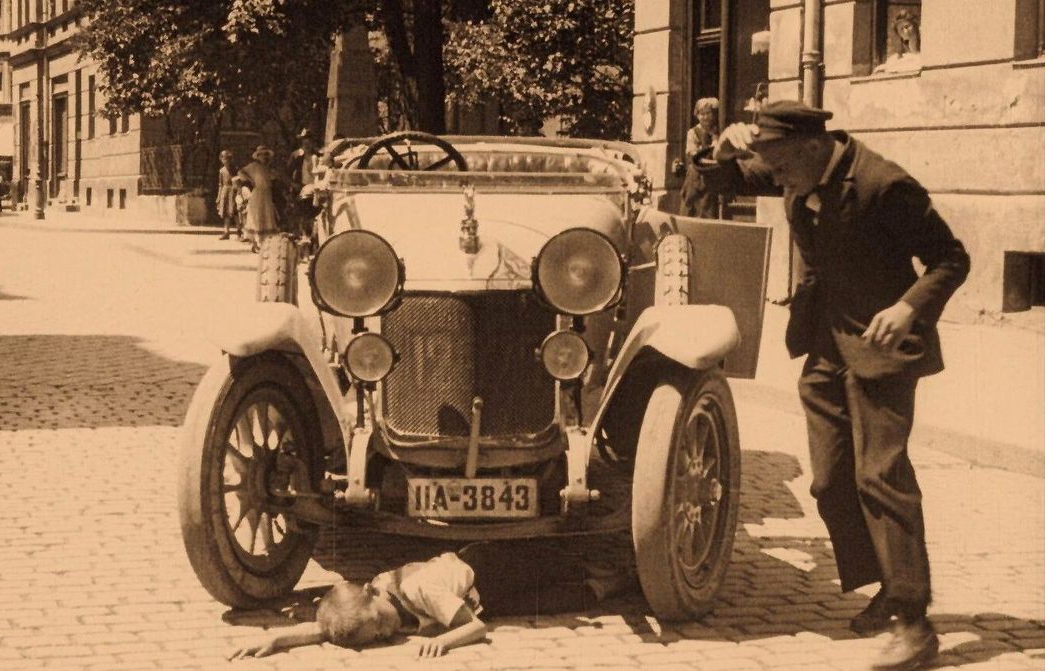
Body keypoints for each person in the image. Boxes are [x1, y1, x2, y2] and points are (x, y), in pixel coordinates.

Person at [696, 100, 970, 671]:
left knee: (880, 475)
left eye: (778, 169)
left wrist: (907, 308)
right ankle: (884, 590)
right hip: (825, 343)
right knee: (827, 480)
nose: (774, 181)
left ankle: (913, 623)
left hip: (883, 346)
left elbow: (950, 258)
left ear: (809, 147)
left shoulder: (884, 185)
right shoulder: (794, 166)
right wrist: (717, 150)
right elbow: (722, 177)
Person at [229, 541, 634, 660]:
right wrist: (276, 641)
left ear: (374, 595)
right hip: (481, 592)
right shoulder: (370, 605)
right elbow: (325, 629)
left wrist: (442, 641)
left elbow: (477, 627)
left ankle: (624, 577)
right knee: (565, 600)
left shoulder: (421, 590)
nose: (389, 634)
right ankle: (610, 585)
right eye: (378, 638)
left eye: (382, 626)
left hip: (496, 567)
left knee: (566, 577)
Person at [677, 97, 721, 218]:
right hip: (697, 174)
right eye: (702, 114)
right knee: (694, 204)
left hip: (711, 174)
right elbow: (692, 154)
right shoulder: (693, 132)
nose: (705, 117)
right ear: (697, 115)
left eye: (708, 113)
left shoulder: (717, 131)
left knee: (709, 207)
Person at [233, 145, 281, 251]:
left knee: (266, 216)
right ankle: (256, 242)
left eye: (266, 155)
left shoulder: (267, 168)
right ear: (258, 156)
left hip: (267, 195)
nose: (264, 157)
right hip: (258, 194)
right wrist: (250, 180)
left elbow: (273, 178)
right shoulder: (254, 166)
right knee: (257, 216)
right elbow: (241, 172)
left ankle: (263, 243)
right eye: (262, 155)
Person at [286, 128, 323, 254]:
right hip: (300, 189)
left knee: (314, 216)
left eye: (309, 142)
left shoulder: (319, 156)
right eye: (304, 143)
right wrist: (293, 184)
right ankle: (302, 245)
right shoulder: (296, 156)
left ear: (313, 143)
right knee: (301, 216)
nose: (306, 145)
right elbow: (287, 173)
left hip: (316, 189)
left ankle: (313, 243)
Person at [216, 150, 239, 240]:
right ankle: (226, 232)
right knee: (226, 213)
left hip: (233, 191)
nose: (226, 161)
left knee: (235, 212)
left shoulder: (235, 169)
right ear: (221, 159)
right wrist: (218, 197)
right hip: (225, 191)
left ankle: (239, 231)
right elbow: (220, 184)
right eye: (224, 159)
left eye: (228, 159)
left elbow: (238, 180)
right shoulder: (221, 171)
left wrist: (238, 191)